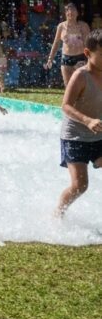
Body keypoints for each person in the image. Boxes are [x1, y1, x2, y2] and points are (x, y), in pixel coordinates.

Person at [55, 29, 102, 217]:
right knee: (80, 185)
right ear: (87, 53)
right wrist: (87, 120)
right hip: (75, 137)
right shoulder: (81, 76)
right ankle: (58, 213)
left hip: (98, 135)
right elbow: (65, 106)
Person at [45, 2, 91, 87]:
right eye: (68, 11)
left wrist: (91, 59)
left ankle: (81, 100)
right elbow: (56, 43)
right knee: (68, 86)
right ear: (65, 14)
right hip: (66, 58)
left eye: (73, 11)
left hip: (80, 58)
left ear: (77, 13)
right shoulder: (61, 26)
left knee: (80, 85)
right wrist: (50, 58)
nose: (70, 13)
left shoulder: (83, 26)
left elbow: (89, 44)